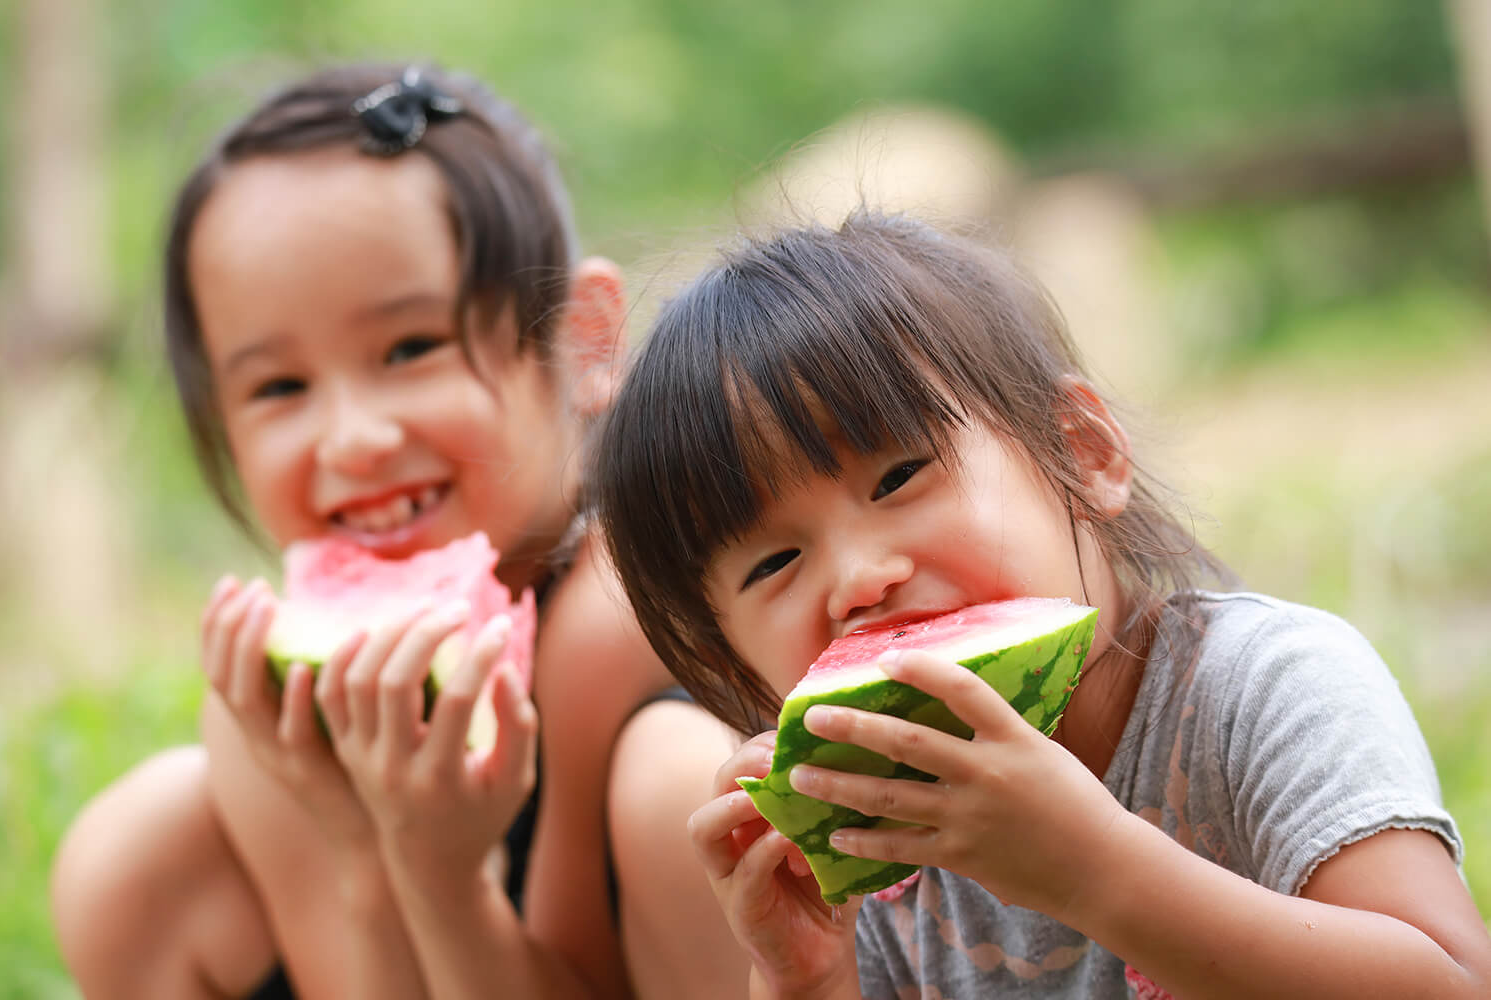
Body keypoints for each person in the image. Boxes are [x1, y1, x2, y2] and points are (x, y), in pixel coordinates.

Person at [591, 211, 1491, 998]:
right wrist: (807, 980)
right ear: (725, 660)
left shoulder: (1264, 689)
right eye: (776, 560)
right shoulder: (870, 846)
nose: (859, 578)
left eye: (900, 476)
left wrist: (1089, 870)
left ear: (1084, 452)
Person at [49, 61, 747, 1000]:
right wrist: (359, 842)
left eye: (411, 348)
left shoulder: (613, 617)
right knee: (134, 850)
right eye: (279, 387)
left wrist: (447, 878)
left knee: (675, 787)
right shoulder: (279, 702)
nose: (354, 438)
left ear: (582, 340)